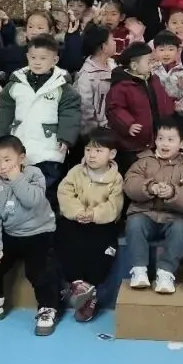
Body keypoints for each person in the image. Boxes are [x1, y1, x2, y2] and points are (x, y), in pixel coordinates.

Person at [0, 135, 61, 335]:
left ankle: (48, 308)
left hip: (40, 232)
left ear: (21, 159)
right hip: (12, 234)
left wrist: (16, 178)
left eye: (7, 160)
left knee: (42, 270)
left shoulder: (34, 174)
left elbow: (33, 201)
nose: (2, 166)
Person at [0, 35, 82, 198]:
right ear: (27, 57)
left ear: (54, 60)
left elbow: (70, 112)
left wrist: (66, 138)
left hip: (48, 148)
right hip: (18, 145)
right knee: (16, 189)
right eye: (33, 57)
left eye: (43, 58)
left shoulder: (62, 87)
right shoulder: (15, 83)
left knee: (45, 191)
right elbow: (4, 111)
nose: (37, 62)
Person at [56, 129, 124, 322]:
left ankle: (90, 291)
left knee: (102, 249)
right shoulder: (76, 172)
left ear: (111, 154)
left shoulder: (116, 178)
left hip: (102, 223)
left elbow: (114, 206)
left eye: (98, 151)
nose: (92, 155)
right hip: (76, 219)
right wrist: (78, 211)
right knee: (63, 237)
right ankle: (79, 285)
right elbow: (65, 193)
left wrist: (93, 215)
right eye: (88, 150)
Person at [124, 117, 183, 293]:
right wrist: (149, 187)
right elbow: (129, 184)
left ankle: (166, 273)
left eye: (170, 139)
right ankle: (139, 270)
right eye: (160, 138)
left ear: (182, 143)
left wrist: (172, 193)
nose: (164, 143)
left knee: (180, 229)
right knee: (134, 224)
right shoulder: (143, 161)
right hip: (144, 212)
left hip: (173, 216)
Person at [106, 42, 177, 171]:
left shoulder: (153, 79)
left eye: (152, 61)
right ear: (134, 65)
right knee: (134, 172)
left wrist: (173, 107)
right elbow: (114, 109)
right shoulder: (122, 86)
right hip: (133, 145)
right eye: (149, 62)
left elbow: (163, 99)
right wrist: (128, 124)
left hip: (155, 139)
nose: (152, 64)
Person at [75, 25, 117, 135]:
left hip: (115, 125)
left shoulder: (113, 66)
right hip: (99, 132)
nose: (115, 42)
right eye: (112, 40)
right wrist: (95, 133)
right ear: (104, 47)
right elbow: (85, 110)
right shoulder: (87, 76)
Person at [151, 30, 183, 103]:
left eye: (171, 49)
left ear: (178, 51)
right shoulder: (151, 70)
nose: (166, 54)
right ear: (155, 51)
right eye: (161, 50)